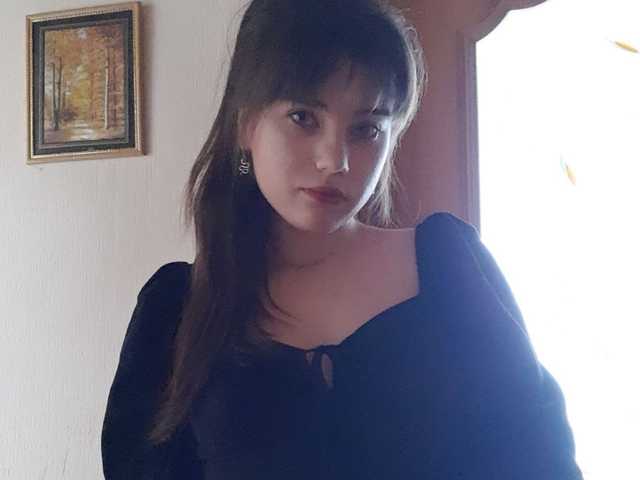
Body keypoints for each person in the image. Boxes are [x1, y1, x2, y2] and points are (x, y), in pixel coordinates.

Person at [101, 0, 583, 478]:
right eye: (303, 118)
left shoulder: (450, 266)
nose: (336, 160)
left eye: (366, 129)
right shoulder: (177, 310)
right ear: (246, 124)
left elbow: (540, 459)